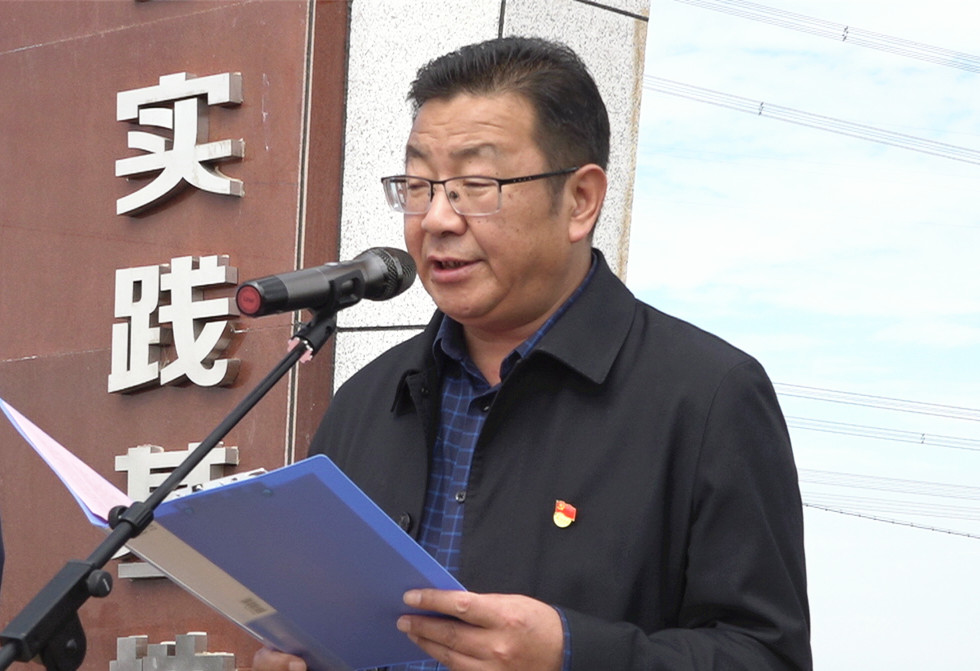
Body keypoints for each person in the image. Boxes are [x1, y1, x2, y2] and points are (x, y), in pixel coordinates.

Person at [255, 36, 811, 671]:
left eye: (475, 184)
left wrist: (571, 655)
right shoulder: (368, 401)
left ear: (580, 201)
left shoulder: (707, 395)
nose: (436, 219)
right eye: (418, 185)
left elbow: (767, 657)